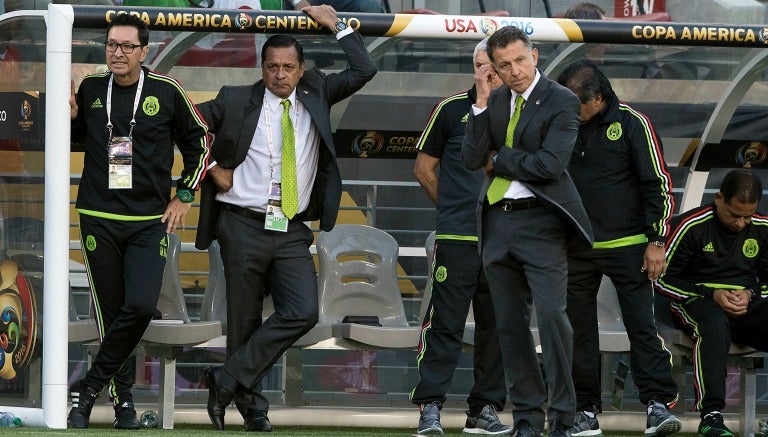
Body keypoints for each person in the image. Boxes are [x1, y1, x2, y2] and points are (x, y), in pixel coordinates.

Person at [194, 4, 376, 432]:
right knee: (244, 319)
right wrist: (209, 168)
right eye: (272, 66)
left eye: (289, 67)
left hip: (291, 227)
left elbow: (365, 67)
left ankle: (225, 379)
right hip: (240, 221)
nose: (280, 75)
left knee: (303, 310)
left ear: (301, 68)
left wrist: (337, 25)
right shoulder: (236, 99)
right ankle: (253, 408)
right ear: (262, 67)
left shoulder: (318, 92)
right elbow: (186, 122)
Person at [67, 13, 210, 429]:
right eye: (112, 44)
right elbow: (75, 137)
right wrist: (73, 115)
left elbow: (200, 141)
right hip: (98, 217)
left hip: (150, 222)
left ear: (144, 52)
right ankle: (123, 403)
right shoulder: (92, 88)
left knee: (141, 306)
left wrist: (184, 194)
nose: (118, 53)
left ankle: (89, 389)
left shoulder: (167, 91)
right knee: (110, 315)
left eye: (128, 46)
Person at [461, 25, 593, 437]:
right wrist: (481, 104)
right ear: (494, 68)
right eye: (504, 64)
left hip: (542, 222)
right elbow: (469, 157)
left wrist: (500, 160)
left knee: (553, 318)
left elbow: (549, 165)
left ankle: (564, 418)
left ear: (535, 55)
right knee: (510, 326)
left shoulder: (562, 100)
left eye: (520, 60)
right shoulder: (495, 99)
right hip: (498, 221)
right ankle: (527, 420)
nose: (514, 70)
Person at [555, 59, 681, 437]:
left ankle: (657, 405)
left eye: (573, 104)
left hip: (630, 247)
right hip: (577, 246)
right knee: (578, 331)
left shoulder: (631, 124)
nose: (568, 111)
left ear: (597, 99)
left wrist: (657, 241)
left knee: (641, 326)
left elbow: (657, 186)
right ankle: (585, 410)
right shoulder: (561, 121)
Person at [410, 38, 510, 437]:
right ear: (474, 67)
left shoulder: (525, 112)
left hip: (505, 241)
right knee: (445, 324)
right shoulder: (451, 109)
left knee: (499, 327)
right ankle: (430, 407)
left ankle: (483, 409)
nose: (490, 74)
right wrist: (453, 209)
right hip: (459, 238)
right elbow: (423, 169)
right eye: (483, 66)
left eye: (497, 67)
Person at [655, 169, 768, 437]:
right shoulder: (691, 226)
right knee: (714, 323)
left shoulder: (763, 228)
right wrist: (711, 294)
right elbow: (661, 280)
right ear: (719, 199)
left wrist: (750, 294)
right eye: (735, 214)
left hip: (743, 304)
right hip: (694, 299)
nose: (741, 223)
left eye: (747, 216)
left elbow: (766, 280)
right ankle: (711, 416)